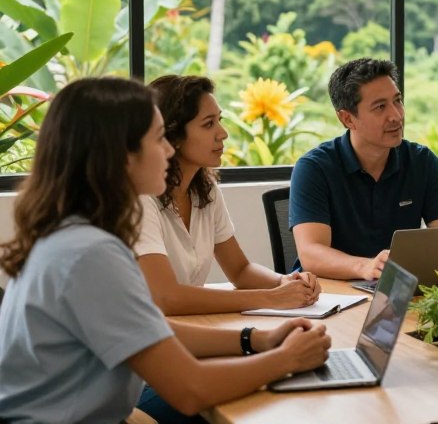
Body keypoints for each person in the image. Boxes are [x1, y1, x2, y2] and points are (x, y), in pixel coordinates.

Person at [0, 77, 331, 424]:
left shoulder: (76, 236)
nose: (170, 150)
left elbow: (150, 328)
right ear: (121, 155)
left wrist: (257, 339)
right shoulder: (90, 255)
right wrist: (287, 359)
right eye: (159, 139)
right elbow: (191, 391)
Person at [136, 75, 320, 316]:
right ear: (174, 135)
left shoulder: (206, 188)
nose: (222, 133)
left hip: (188, 327)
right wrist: (270, 297)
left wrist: (284, 281)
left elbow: (240, 270)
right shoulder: (140, 198)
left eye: (219, 121)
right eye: (208, 124)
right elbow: (166, 298)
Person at [290, 58, 438, 280]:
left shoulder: (423, 162)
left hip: (395, 292)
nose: (396, 116)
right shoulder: (314, 168)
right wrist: (365, 267)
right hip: (330, 296)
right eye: (380, 107)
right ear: (347, 119)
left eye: (397, 101)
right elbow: (311, 254)